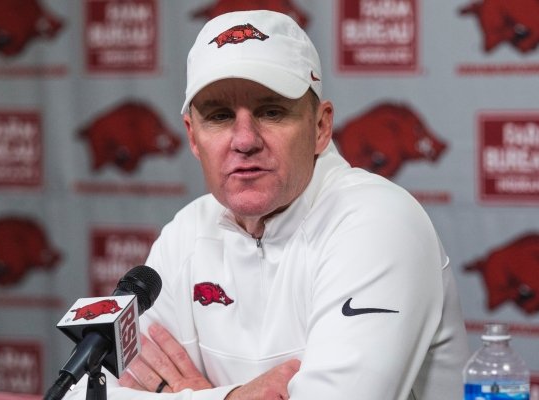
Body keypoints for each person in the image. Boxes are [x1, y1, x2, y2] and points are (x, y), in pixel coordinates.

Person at [64, 9, 469, 400]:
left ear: (320, 126)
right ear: (192, 136)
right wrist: (228, 398)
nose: (244, 139)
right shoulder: (186, 233)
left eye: (271, 111)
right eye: (220, 116)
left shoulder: (377, 222)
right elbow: (81, 391)